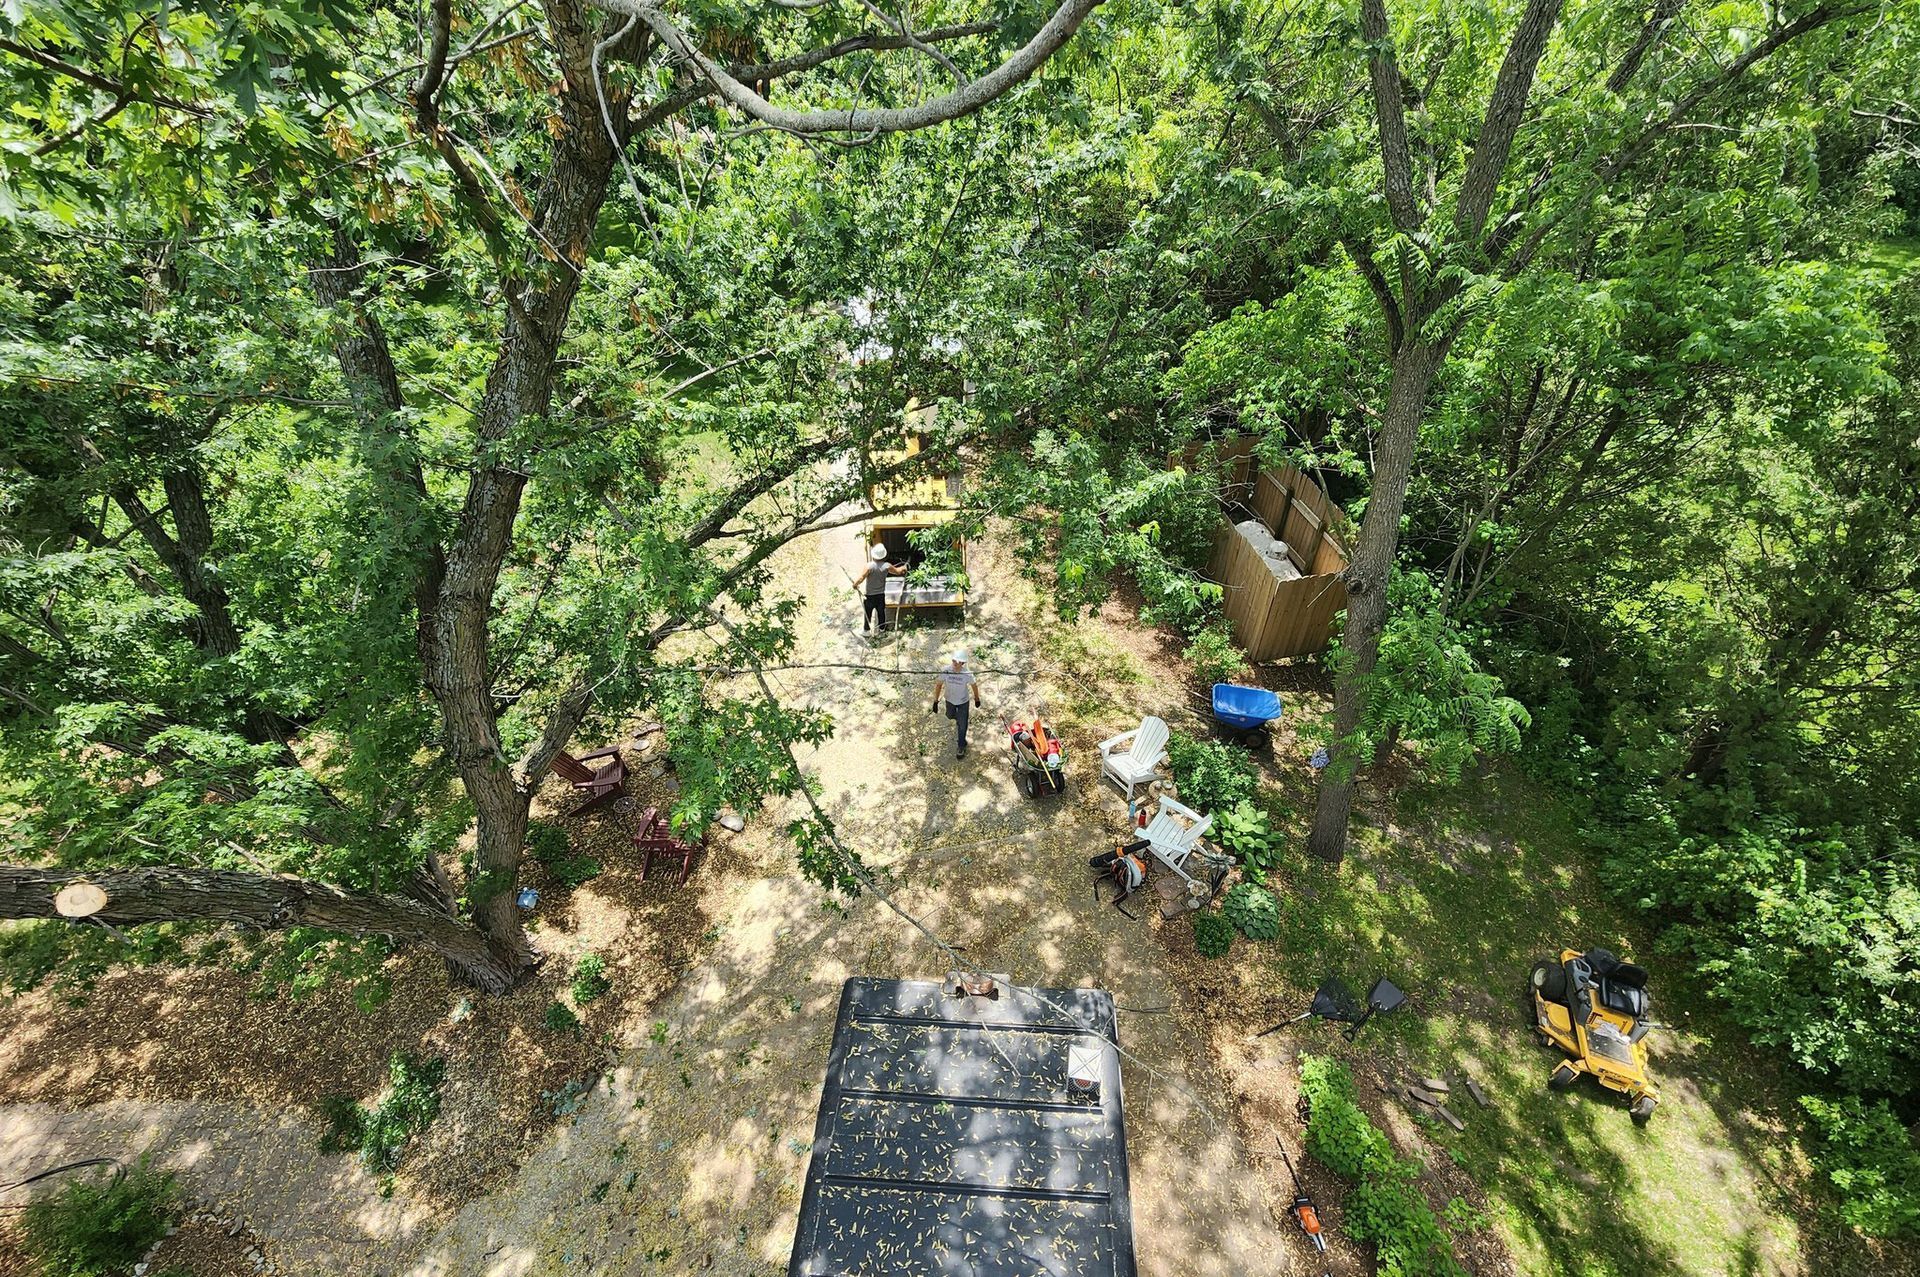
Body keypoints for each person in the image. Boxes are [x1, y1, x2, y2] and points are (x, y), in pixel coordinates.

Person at [931, 648, 981, 758]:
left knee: (962, 726)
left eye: (957, 662)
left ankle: (961, 746)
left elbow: (974, 686)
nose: (954, 664)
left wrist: (977, 699)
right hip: (950, 700)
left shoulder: (967, 674)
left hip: (963, 701)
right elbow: (939, 685)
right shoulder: (946, 670)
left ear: (962, 663)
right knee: (949, 715)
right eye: (953, 661)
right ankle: (959, 718)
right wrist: (935, 701)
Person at [861, 544, 907, 634]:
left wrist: (855, 584)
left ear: (873, 555)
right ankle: (882, 629)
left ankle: (866, 630)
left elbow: (861, 577)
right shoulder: (887, 566)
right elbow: (898, 571)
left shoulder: (869, 566)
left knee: (868, 613)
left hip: (869, 595)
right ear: (884, 555)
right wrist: (904, 568)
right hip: (880, 595)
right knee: (881, 612)